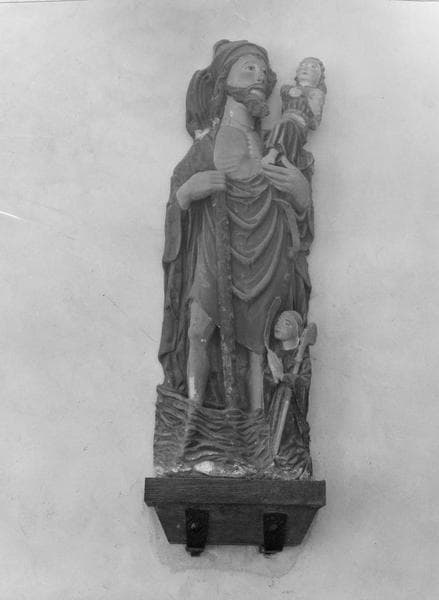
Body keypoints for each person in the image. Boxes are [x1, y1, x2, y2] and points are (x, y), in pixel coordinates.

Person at [157, 41, 314, 471]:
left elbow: (300, 218)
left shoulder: (278, 147)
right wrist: (188, 192)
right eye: (248, 68)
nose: (259, 76)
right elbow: (177, 203)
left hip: (267, 251)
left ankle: (260, 438)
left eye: (263, 71)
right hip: (215, 246)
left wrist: (301, 194)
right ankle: (193, 426)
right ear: (223, 80)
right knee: (198, 331)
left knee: (259, 346)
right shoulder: (206, 146)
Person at [265, 310, 312, 479]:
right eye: (278, 321)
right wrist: (273, 378)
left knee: (290, 436)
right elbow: (267, 380)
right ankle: (273, 460)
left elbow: (304, 382)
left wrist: (285, 377)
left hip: (291, 407)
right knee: (274, 432)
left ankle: (292, 465)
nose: (278, 325)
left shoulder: (301, 357)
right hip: (277, 404)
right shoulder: (275, 355)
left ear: (297, 331)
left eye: (286, 323)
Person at [262, 57, 326, 170]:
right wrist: (294, 92)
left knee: (286, 124)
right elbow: (285, 91)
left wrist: (313, 103)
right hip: (285, 119)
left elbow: (315, 124)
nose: (306, 68)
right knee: (280, 126)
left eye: (313, 67)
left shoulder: (316, 93)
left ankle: (272, 155)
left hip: (300, 124)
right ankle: (281, 158)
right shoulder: (288, 89)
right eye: (303, 65)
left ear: (319, 78)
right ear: (297, 72)